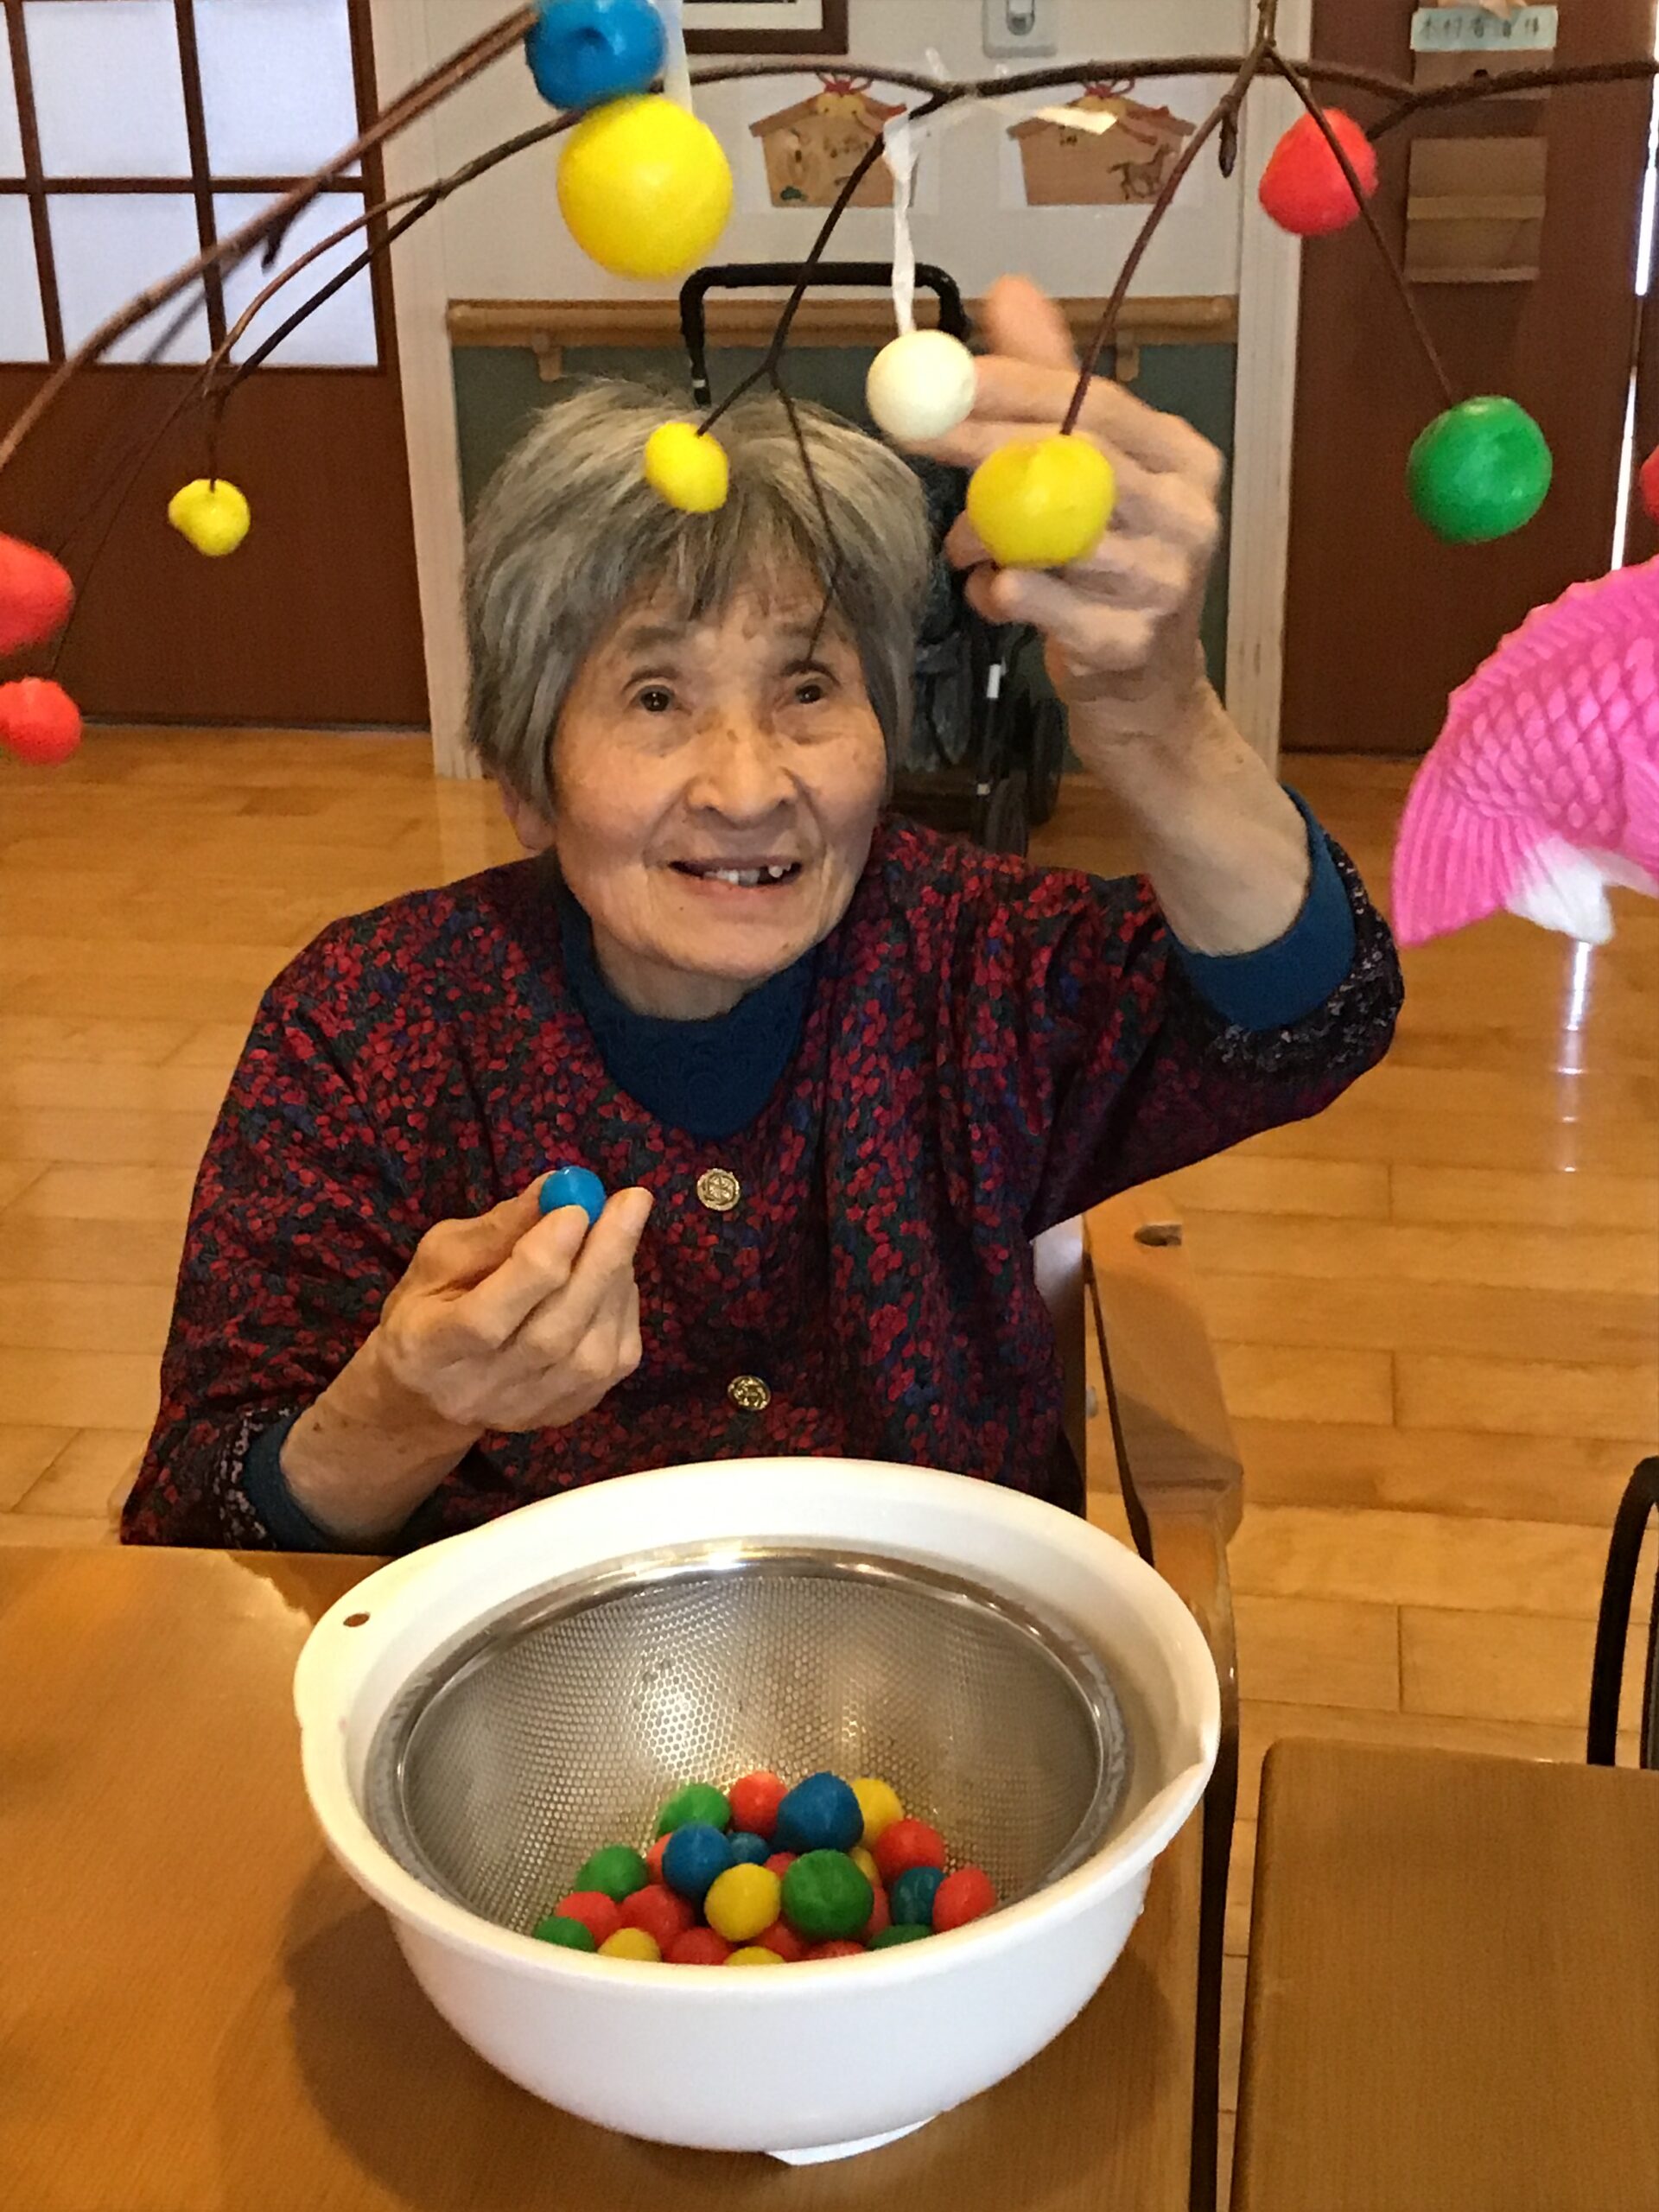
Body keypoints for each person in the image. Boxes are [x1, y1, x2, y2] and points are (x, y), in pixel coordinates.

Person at [122, 278, 1401, 1551]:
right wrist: (408, 1411)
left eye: (807, 688)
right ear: (524, 779)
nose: (747, 790)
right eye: (657, 698)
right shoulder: (370, 1023)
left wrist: (1160, 719)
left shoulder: (968, 957)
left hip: (942, 1645)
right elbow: (198, 1513)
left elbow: (1313, 1018)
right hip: (539, 1670)